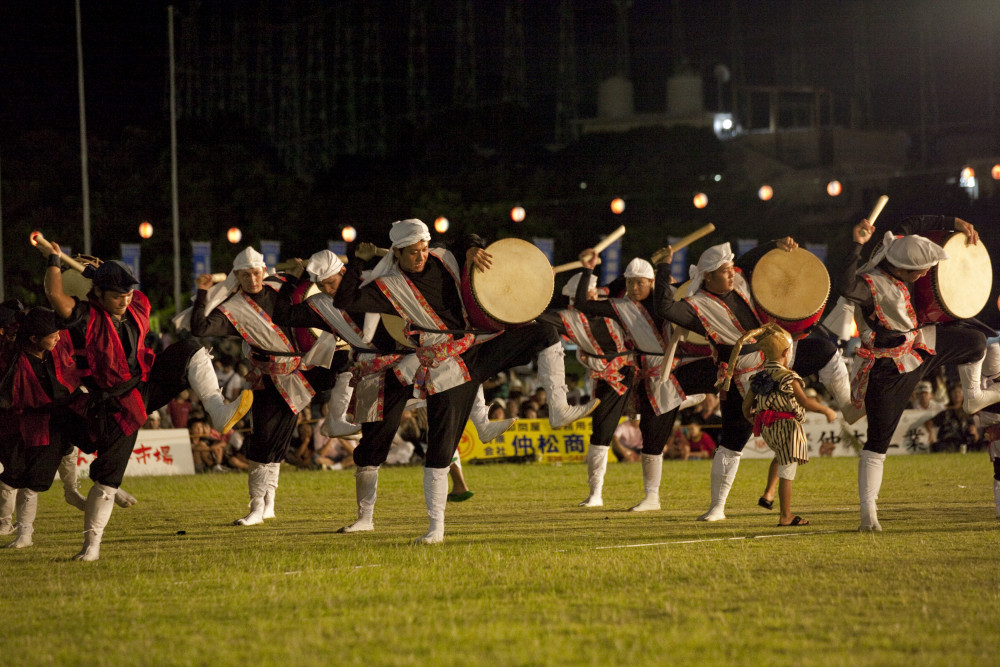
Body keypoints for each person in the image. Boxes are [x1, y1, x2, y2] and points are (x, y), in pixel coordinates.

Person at [331, 219, 598, 543]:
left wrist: (473, 249)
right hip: (403, 369)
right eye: (413, 252)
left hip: (464, 350)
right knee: (396, 444)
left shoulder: (442, 259)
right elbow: (345, 302)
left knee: (544, 331)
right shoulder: (382, 287)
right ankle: (395, 523)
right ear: (397, 253)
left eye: (423, 249)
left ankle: (556, 408)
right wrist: (355, 262)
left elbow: (466, 238)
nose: (421, 256)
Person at [37, 244, 252, 560]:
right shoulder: (84, 316)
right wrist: (55, 261)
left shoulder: (137, 305)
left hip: (144, 385)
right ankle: (90, 547)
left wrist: (100, 270)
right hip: (113, 404)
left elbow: (119, 288)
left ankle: (218, 411)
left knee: (190, 348)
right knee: (108, 479)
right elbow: (56, 296)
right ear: (97, 293)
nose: (124, 301)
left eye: (127, 294)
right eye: (116, 296)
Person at [653, 238, 850, 522]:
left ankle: (848, 404)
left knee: (826, 350)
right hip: (743, 377)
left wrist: (775, 243)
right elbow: (664, 307)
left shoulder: (741, 279)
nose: (732, 273)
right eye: (724, 271)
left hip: (779, 358)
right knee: (733, 441)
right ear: (708, 276)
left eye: (732, 268)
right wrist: (663, 267)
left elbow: (750, 261)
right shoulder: (695, 306)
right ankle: (717, 507)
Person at [838, 214, 1000, 531]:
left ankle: (973, 397)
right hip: (887, 366)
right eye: (922, 271)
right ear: (902, 269)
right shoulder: (872, 286)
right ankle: (868, 514)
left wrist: (957, 223)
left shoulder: (897, 246)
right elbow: (845, 285)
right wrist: (856, 245)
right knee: (878, 442)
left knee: (974, 341)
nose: (927, 274)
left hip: (918, 343)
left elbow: (914, 222)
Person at [188, 246, 336, 526]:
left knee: (279, 442)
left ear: (264, 271)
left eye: (256, 273)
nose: (252, 280)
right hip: (266, 378)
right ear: (237, 277)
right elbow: (200, 327)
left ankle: (269, 504)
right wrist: (202, 292)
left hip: (299, 374)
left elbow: (309, 291)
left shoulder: (281, 286)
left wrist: (300, 270)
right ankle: (256, 506)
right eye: (245, 275)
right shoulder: (233, 309)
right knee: (262, 441)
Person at [551, 254, 708, 511]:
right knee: (647, 429)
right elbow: (582, 303)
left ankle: (652, 496)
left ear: (650, 282)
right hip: (641, 374)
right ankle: (647, 497)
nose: (634, 288)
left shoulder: (665, 301)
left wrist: (665, 266)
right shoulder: (620, 305)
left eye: (640, 283)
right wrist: (589, 270)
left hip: (668, 371)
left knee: (655, 435)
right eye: (630, 283)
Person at [735, 323, 837, 526]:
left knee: (780, 458)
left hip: (768, 428)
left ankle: (769, 494)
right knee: (787, 471)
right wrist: (827, 410)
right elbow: (805, 402)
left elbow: (746, 407)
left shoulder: (759, 376)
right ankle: (785, 516)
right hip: (787, 427)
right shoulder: (788, 377)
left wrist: (755, 419)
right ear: (786, 351)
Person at [928, 383, 979, 453]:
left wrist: (975, 432)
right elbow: (930, 423)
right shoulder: (945, 413)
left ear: (963, 394)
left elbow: (973, 428)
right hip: (947, 442)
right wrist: (931, 433)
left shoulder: (967, 412)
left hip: (963, 442)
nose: (957, 394)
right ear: (951, 395)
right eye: (954, 392)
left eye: (959, 392)